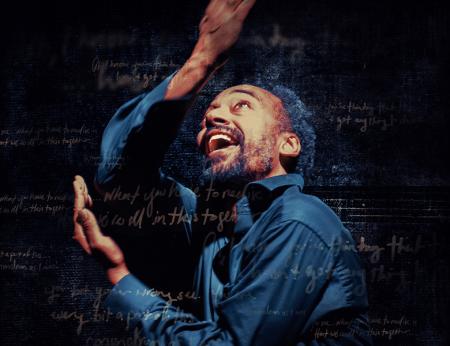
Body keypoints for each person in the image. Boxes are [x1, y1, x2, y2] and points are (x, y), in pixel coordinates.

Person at [72, 0, 372, 344]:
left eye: (242, 105)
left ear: (288, 144)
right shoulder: (207, 225)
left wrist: (119, 276)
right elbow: (119, 174)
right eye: (207, 116)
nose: (212, 118)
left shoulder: (298, 220)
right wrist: (200, 62)